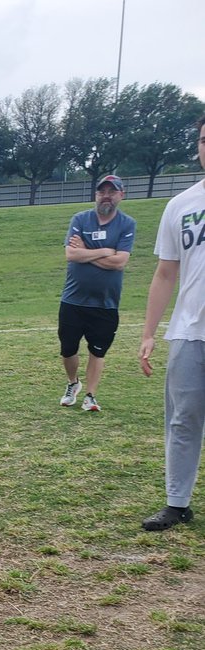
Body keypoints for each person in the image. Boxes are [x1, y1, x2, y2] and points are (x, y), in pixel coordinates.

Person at [138, 116, 205, 531]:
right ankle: (176, 503)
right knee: (182, 419)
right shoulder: (181, 205)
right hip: (189, 332)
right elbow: (165, 274)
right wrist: (149, 332)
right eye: (203, 139)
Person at [57, 174, 136, 413]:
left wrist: (88, 252)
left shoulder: (126, 224)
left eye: (112, 192)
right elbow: (72, 255)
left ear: (121, 195)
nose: (106, 196)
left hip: (106, 303)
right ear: (96, 194)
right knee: (67, 349)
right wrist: (104, 251)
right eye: (102, 191)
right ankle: (73, 383)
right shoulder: (80, 219)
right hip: (73, 299)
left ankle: (90, 395)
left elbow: (120, 262)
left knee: (97, 351)